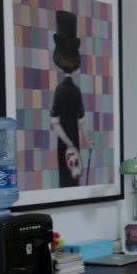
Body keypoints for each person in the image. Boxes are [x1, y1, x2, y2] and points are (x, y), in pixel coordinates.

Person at [50, 10, 88, 187]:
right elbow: (81, 120)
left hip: (67, 138)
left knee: (67, 177)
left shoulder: (60, 90)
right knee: (73, 177)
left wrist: (68, 143)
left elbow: (55, 122)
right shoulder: (75, 90)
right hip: (72, 137)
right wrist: (83, 139)